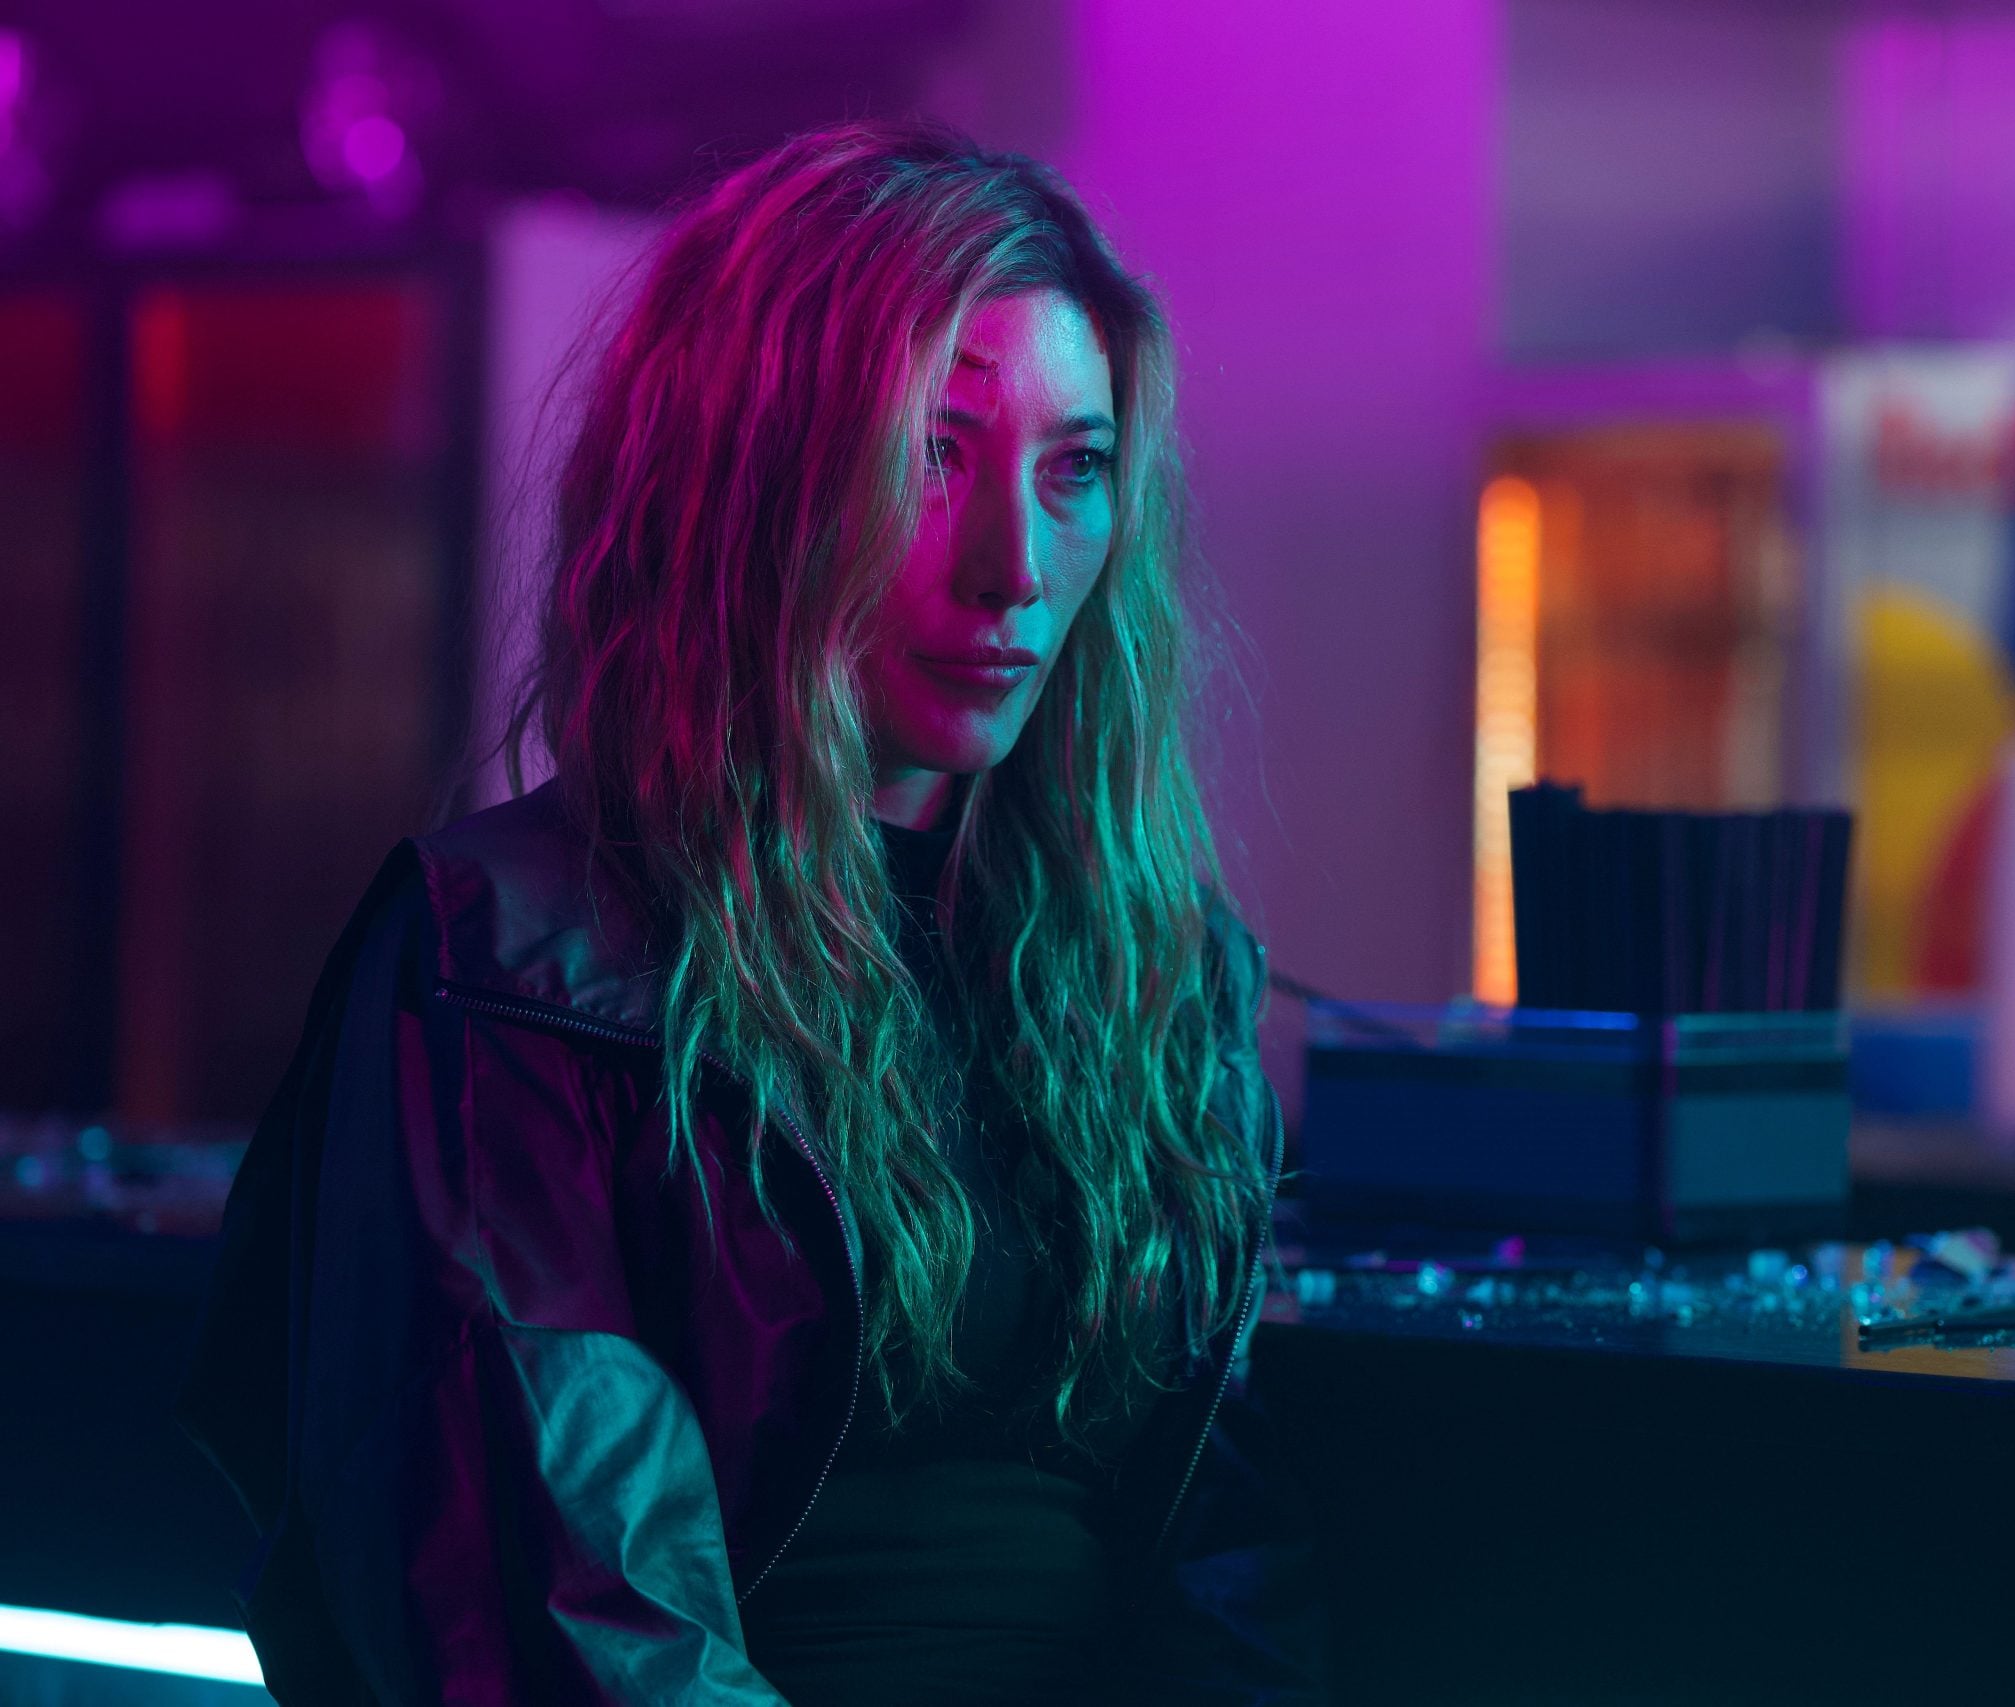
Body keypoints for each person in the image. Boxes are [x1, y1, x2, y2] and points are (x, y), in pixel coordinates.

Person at [178, 122, 1325, 1705]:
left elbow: (1229, 1564)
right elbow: (573, 1622)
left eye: (1076, 468)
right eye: (933, 453)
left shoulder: (1163, 981)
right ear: (757, 486)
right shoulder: (510, 959)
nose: (1016, 568)